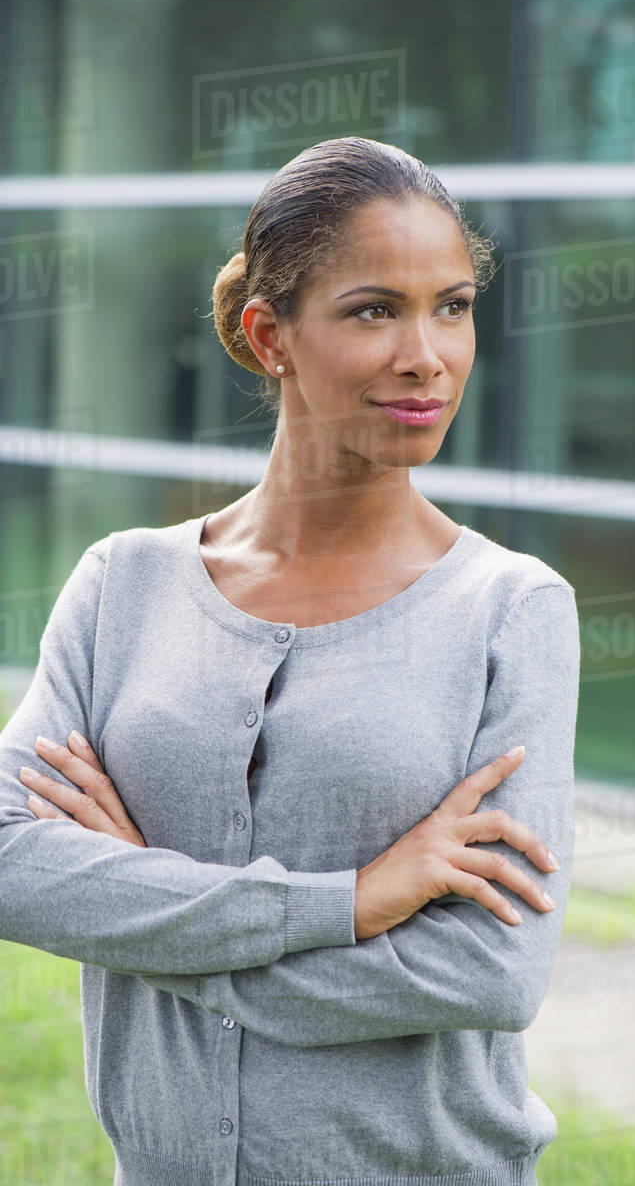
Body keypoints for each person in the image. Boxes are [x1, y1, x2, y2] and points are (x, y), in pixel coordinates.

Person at [0, 136, 581, 1186]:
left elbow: (491, 972)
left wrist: (150, 915)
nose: (428, 355)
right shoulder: (121, 585)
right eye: (374, 310)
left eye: (452, 306)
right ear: (270, 336)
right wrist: (348, 903)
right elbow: (8, 863)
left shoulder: (512, 610)